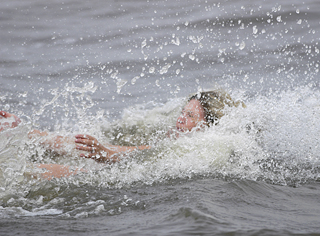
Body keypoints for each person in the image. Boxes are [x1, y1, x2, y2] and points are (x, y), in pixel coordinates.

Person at [1, 90, 245, 179]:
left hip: (141, 177)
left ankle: (14, 171)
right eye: (183, 112)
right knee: (79, 145)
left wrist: (105, 153)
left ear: (208, 126)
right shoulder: (175, 137)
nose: (181, 118)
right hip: (136, 164)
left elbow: (146, 155)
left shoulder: (206, 148)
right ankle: (23, 133)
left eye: (191, 117)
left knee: (79, 172)